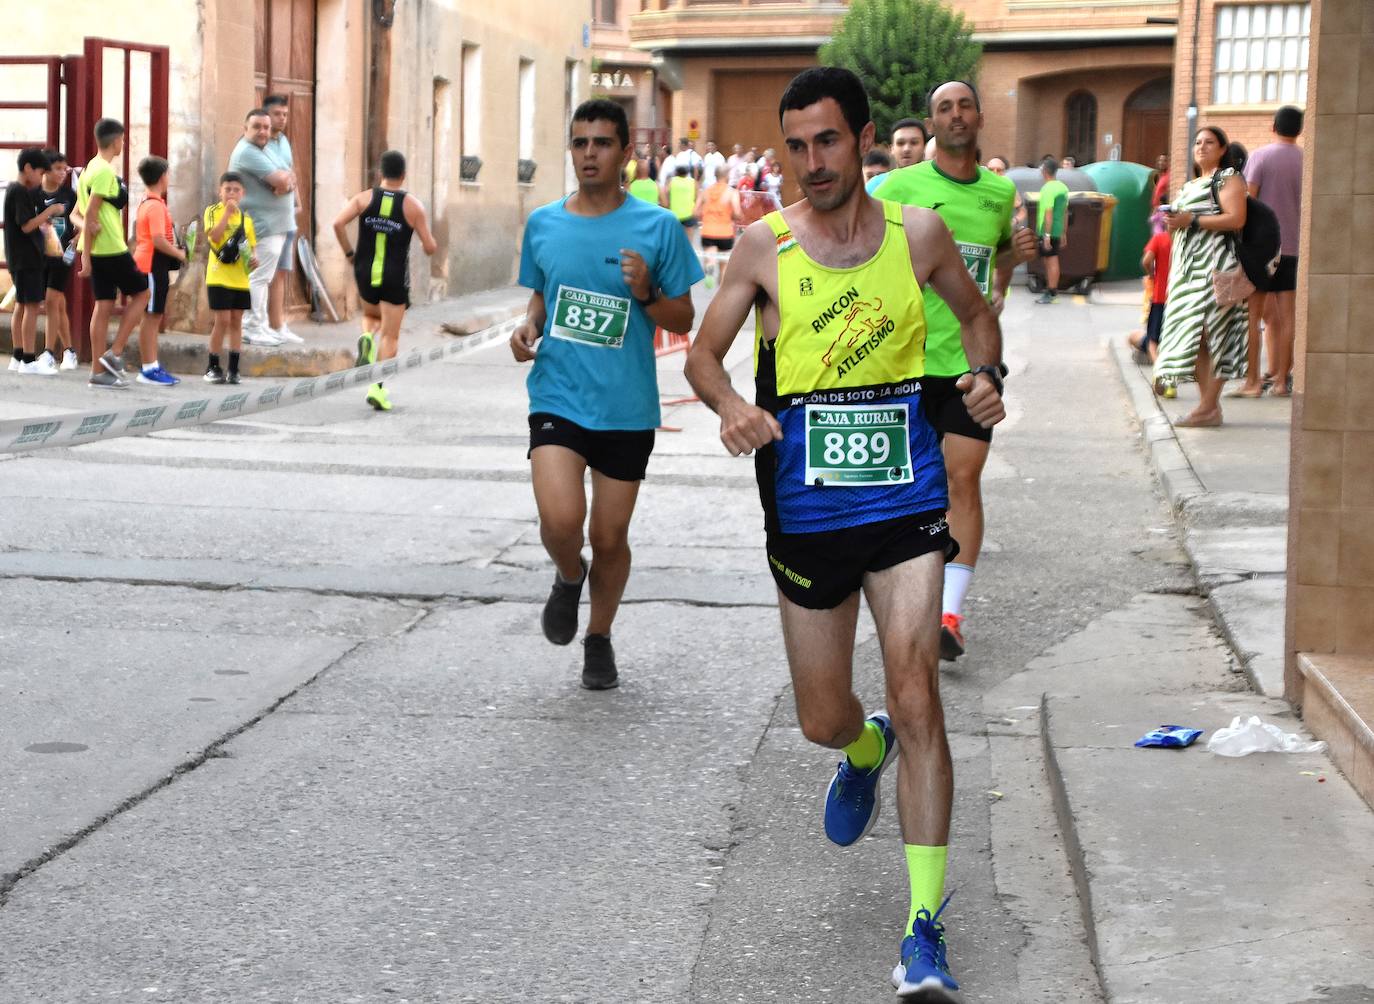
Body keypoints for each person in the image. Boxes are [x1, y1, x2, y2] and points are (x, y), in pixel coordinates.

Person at [684, 66, 1005, 1001]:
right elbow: (704, 354)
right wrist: (732, 402)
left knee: (920, 697)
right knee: (824, 718)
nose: (812, 162)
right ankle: (863, 750)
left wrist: (989, 378)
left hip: (905, 499)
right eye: (796, 145)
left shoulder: (920, 235)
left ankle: (922, 931)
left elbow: (977, 319)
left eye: (827, 141)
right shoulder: (762, 245)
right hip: (808, 509)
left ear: (862, 138)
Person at [509, 98, 703, 690]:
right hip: (558, 397)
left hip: (625, 406)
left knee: (610, 536)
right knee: (561, 518)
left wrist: (646, 292)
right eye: (579, 143)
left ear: (624, 152)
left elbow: (683, 314)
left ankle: (599, 636)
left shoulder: (657, 226)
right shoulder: (543, 223)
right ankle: (569, 576)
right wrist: (528, 327)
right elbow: (543, 295)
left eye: (600, 143)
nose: (588, 153)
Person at [874, 80, 1034, 662]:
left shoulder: (997, 193)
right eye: (945, 108)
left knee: (962, 479)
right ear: (932, 122)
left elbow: (997, 259)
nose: (957, 114)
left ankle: (948, 613)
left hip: (970, 366)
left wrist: (1015, 257)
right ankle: (905, 598)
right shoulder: (899, 186)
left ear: (980, 117)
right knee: (915, 488)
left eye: (965, 105)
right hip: (906, 362)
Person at [1154, 126, 1249, 427]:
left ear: (1222, 149)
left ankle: (1208, 407)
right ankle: (1208, 406)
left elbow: (1236, 218)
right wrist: (1174, 221)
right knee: (1193, 337)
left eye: (1209, 142)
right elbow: (1179, 226)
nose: (1202, 147)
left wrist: (1191, 219)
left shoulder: (1229, 177)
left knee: (1214, 333)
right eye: (1197, 142)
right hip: (1187, 271)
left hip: (1216, 267)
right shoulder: (1190, 184)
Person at [333, 149, 438, 412]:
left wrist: (349, 253)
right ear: (403, 175)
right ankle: (377, 389)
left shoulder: (363, 198)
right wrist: (429, 244)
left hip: (364, 270)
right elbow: (429, 246)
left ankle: (367, 336)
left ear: (380, 173)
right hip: (394, 275)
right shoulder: (413, 206)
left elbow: (337, 223)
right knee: (390, 336)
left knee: (371, 314)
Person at [1231, 105, 1303, 398]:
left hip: (1263, 249)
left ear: (1273, 126)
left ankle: (1253, 382)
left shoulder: (1260, 156)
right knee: (1287, 318)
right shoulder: (1307, 160)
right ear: (1299, 129)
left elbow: (1248, 204)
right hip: (1294, 248)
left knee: (1253, 315)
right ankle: (1281, 381)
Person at [76, 117, 150, 388]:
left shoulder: (88, 169)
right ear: (116, 140)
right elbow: (92, 210)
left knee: (104, 305)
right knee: (143, 292)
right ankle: (115, 352)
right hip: (110, 247)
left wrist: (86, 251)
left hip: (97, 249)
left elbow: (84, 213)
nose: (123, 143)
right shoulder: (105, 171)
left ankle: (98, 371)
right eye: (123, 139)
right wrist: (85, 257)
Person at [228, 108, 296, 346]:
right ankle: (251, 326)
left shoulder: (264, 149)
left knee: (263, 278)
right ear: (245, 129)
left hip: (272, 225)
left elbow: (290, 176)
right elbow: (281, 180)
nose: (263, 131)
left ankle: (261, 324)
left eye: (266, 127)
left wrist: (285, 182)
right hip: (261, 225)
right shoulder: (247, 152)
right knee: (258, 277)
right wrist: (282, 183)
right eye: (257, 127)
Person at [130, 156, 184, 386]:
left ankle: (152, 364)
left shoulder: (151, 202)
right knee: (151, 318)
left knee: (153, 316)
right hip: (151, 265)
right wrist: (179, 254)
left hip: (153, 264)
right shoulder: (153, 206)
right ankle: (149, 367)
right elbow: (158, 240)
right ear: (163, 177)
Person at [4, 148, 60, 375]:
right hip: (26, 258)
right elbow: (26, 225)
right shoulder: (20, 191)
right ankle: (28, 359)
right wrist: (50, 212)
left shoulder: (15, 189)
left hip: (20, 257)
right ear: (28, 168)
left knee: (22, 305)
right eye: (39, 172)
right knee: (31, 307)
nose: (40, 179)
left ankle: (18, 356)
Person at [202, 171, 258, 385]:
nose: (232, 193)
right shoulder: (213, 211)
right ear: (220, 192)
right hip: (218, 276)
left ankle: (234, 368)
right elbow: (214, 237)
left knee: (236, 321)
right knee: (222, 320)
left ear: (243, 193)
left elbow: (252, 249)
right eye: (228, 189)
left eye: (236, 190)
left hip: (240, 278)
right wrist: (227, 213)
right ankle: (213, 365)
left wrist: (254, 259)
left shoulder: (247, 220)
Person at [263, 94, 303, 344]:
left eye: (285, 114)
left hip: (287, 214)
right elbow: (274, 182)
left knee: (281, 272)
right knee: (262, 274)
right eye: (277, 114)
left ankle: (278, 324)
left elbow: (290, 174)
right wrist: (285, 184)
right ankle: (260, 324)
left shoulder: (284, 142)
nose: (282, 118)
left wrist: (297, 201)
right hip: (267, 218)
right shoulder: (261, 144)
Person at [36, 149, 80, 371]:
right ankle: (70, 351)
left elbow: (79, 220)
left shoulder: (69, 196)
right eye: (58, 169)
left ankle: (48, 353)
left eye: (65, 169)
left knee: (52, 300)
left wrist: (77, 239)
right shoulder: (34, 194)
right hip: (38, 256)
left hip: (62, 257)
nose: (63, 173)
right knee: (58, 304)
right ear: (45, 170)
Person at [1128, 214, 1171, 371]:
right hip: (1179, 298)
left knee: (1151, 338)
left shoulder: (1160, 239)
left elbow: (1146, 260)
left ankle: (1159, 370)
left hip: (1161, 296)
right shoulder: (1184, 241)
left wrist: (1152, 274)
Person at [1034, 156, 1069, 304]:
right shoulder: (1063, 187)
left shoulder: (1047, 188)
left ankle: (1052, 292)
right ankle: (1051, 289)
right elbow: (1065, 212)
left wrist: (1047, 234)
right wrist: (1063, 232)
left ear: (1045, 171)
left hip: (1047, 230)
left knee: (1051, 260)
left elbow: (1048, 212)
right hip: (1057, 229)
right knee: (1050, 259)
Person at [984, 154, 1027, 227]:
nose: (995, 173)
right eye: (991, 169)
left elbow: (1022, 212)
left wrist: (1013, 221)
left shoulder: (1009, 189)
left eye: (999, 170)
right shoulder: (979, 185)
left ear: (1004, 173)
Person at [666, 164, 698, 238]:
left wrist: (668, 203)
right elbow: (697, 196)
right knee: (689, 238)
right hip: (689, 213)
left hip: (675, 213)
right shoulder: (693, 182)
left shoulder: (671, 181)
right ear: (687, 173)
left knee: (675, 237)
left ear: (676, 172)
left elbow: (666, 191)